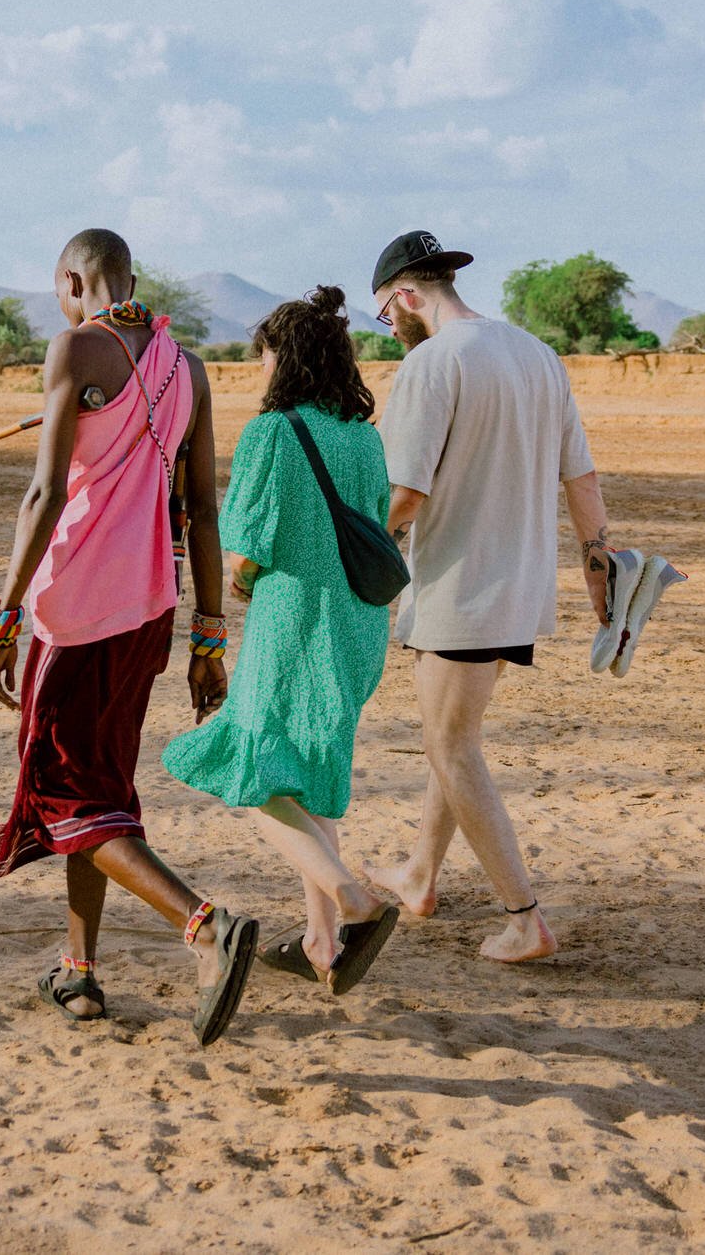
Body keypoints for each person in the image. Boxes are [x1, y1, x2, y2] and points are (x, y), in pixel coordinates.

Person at [0, 228, 260, 1045]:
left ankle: (205, 924)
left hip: (79, 610)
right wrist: (211, 638)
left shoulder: (74, 350)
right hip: (151, 612)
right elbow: (204, 509)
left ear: (72, 279)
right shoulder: (189, 369)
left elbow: (42, 493)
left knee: (69, 794)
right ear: (129, 277)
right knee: (100, 791)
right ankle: (81, 970)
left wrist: (2, 612)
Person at [363, 231, 616, 964]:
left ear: (405, 297)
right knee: (458, 732)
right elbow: (583, 478)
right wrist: (597, 565)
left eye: (386, 316)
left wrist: (353, 560)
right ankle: (419, 875)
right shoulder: (536, 352)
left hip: (460, 586)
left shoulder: (433, 362)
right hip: (523, 582)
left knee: (450, 742)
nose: (392, 330)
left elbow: (405, 494)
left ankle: (524, 917)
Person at [162, 287, 401, 993]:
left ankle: (353, 903)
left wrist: (240, 579)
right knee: (315, 775)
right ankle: (323, 940)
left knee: (254, 776)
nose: (257, 366)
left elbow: (247, 543)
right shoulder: (364, 435)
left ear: (285, 357)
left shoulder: (274, 432)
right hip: (359, 620)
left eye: (262, 353)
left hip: (294, 619)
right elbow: (379, 518)